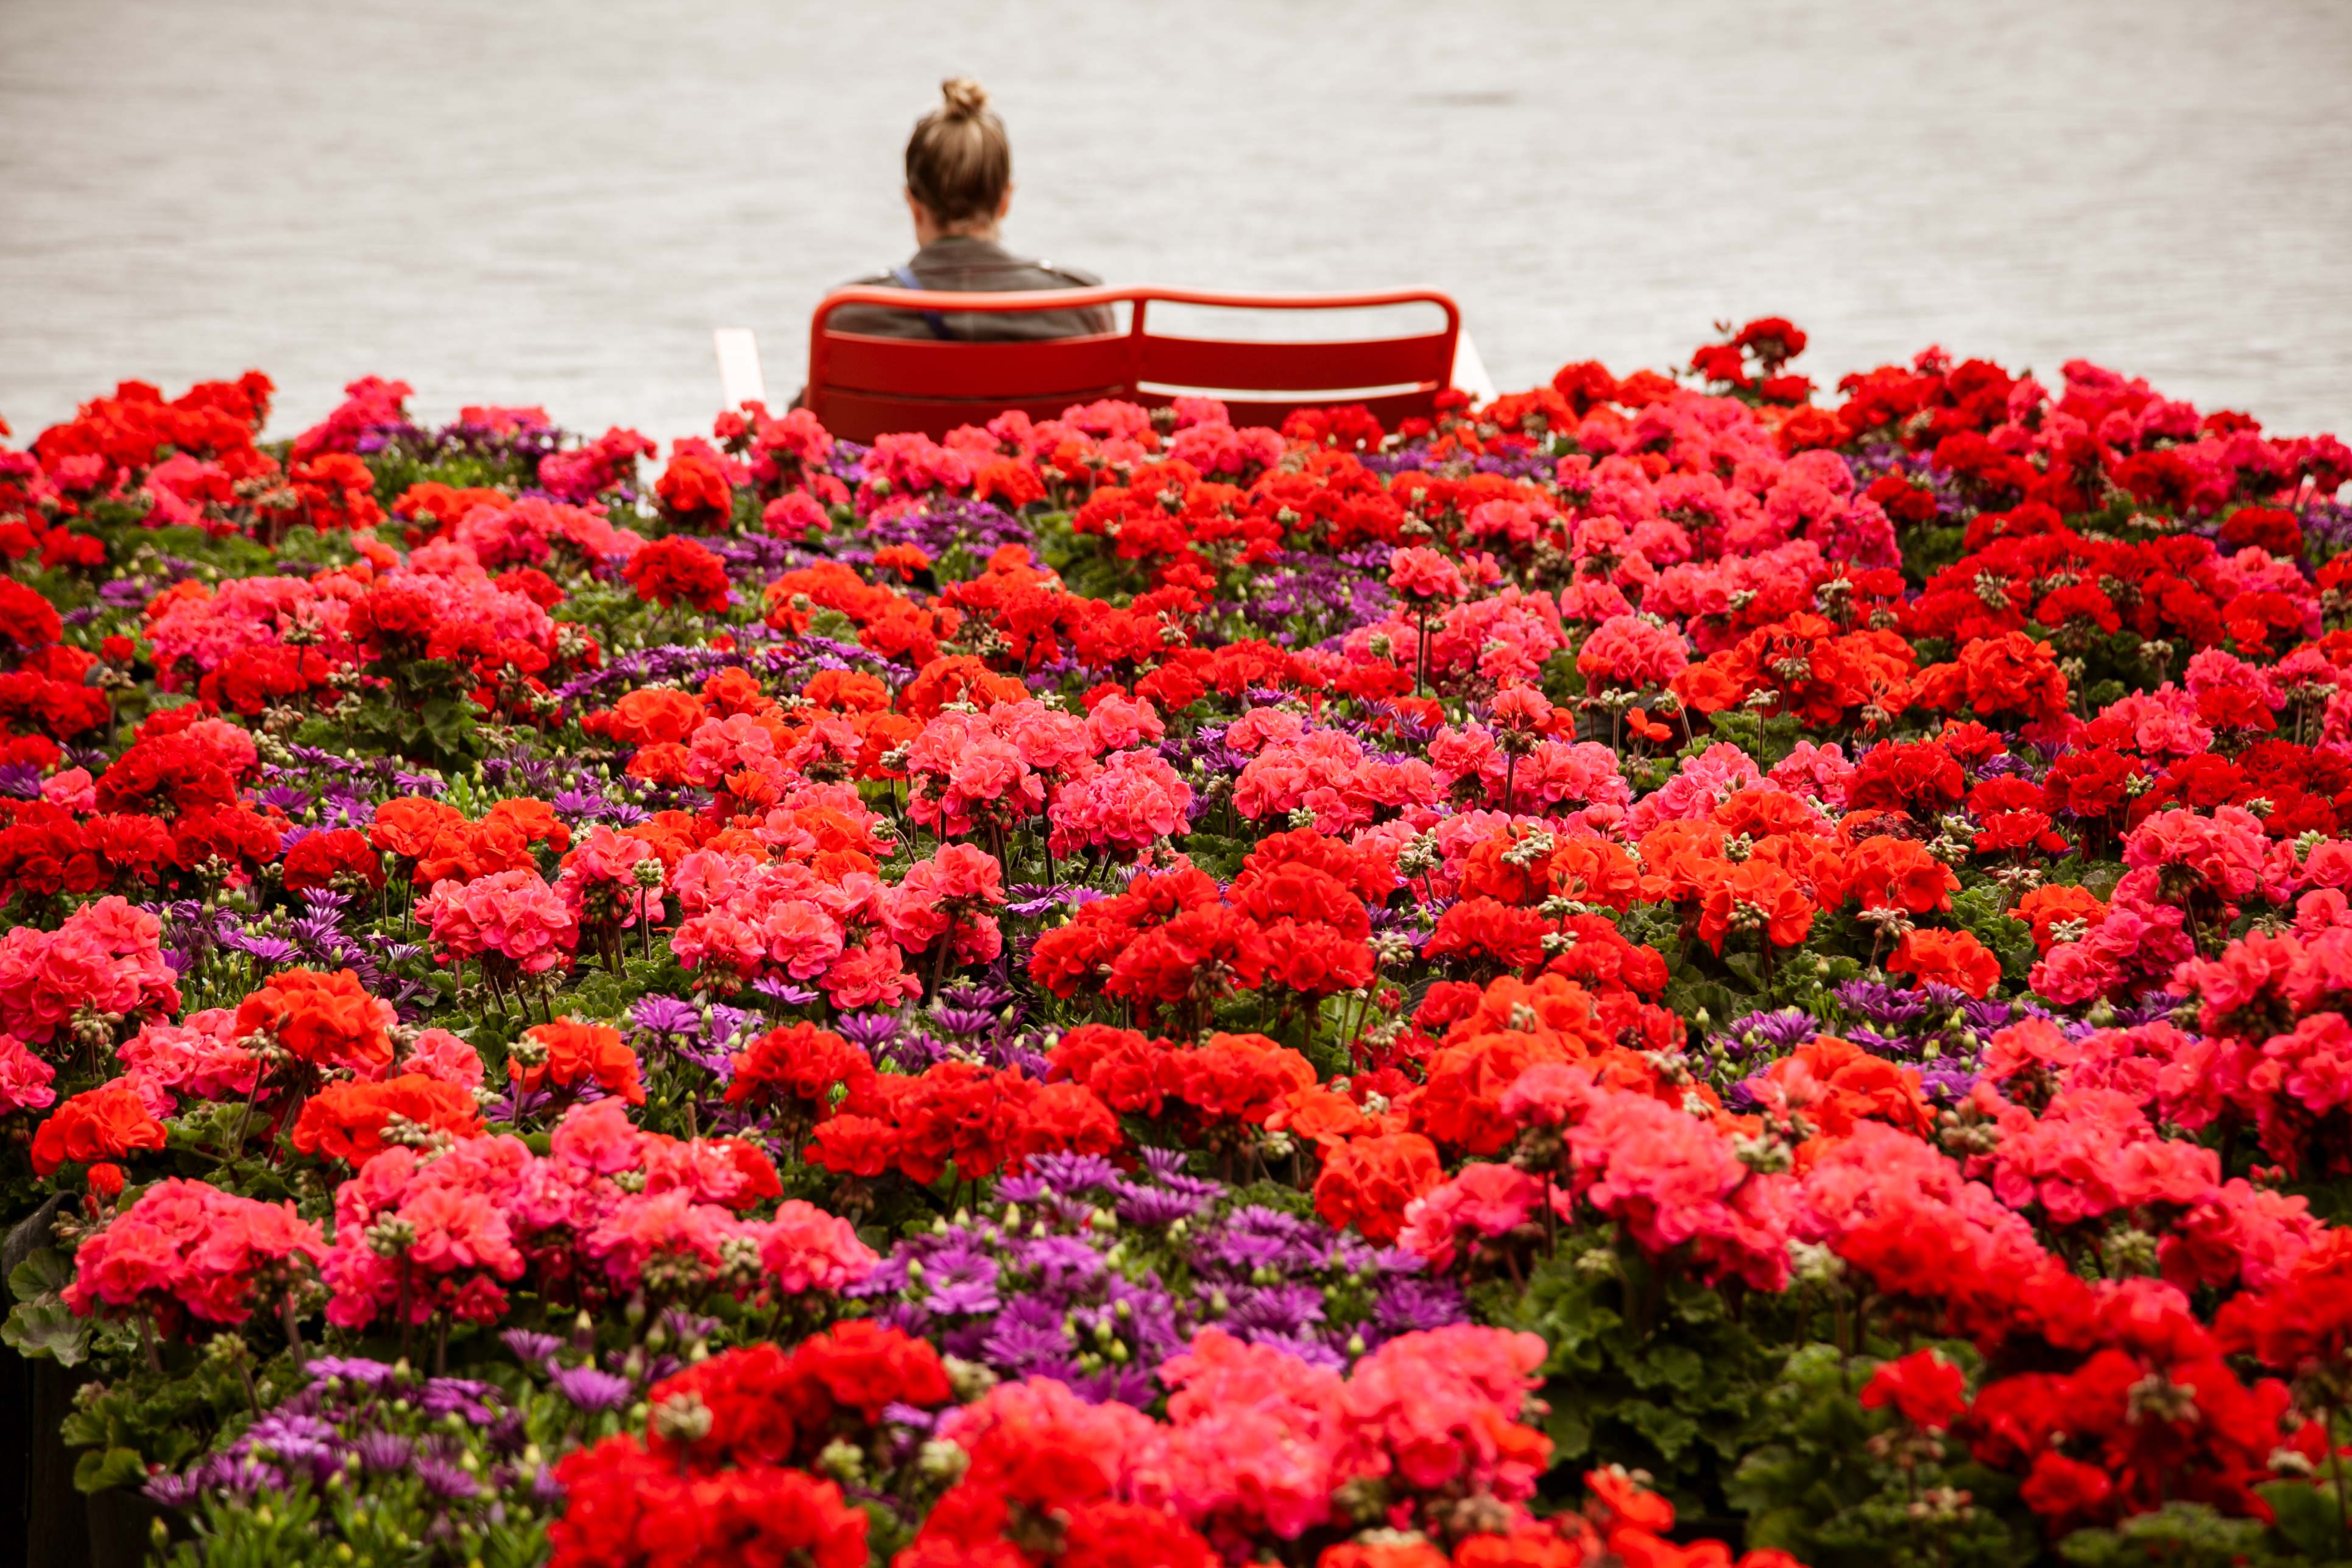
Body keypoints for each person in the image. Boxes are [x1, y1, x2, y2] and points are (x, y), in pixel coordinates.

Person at [826, 78, 1115, 342]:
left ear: (914, 206)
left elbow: (814, 400)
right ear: (1005, 201)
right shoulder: (1080, 304)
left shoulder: (852, 313)